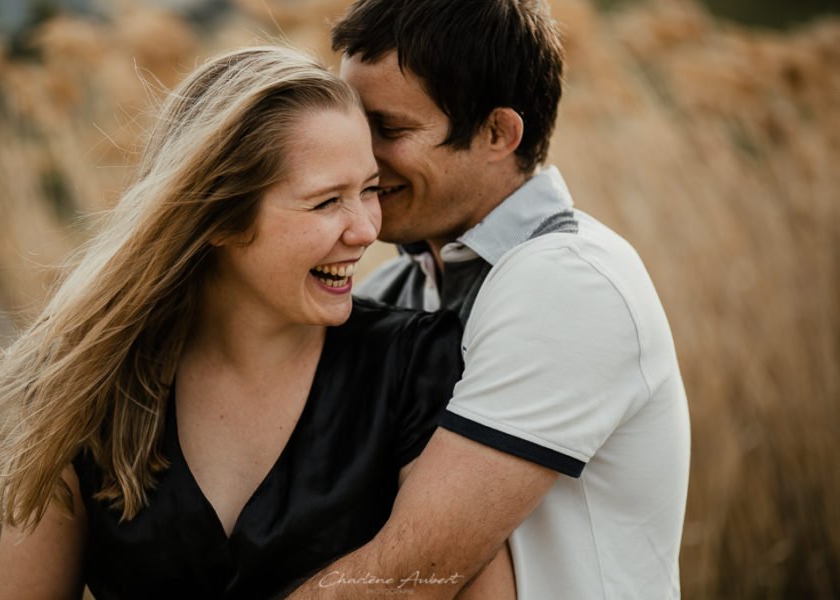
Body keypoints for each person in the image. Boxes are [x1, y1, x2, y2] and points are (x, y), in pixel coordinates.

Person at [0, 46, 466, 599]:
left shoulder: (417, 366)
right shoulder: (86, 381)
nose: (365, 229)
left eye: (368, 190)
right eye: (325, 202)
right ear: (217, 217)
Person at [286, 1, 691, 598]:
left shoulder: (570, 282)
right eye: (353, 125)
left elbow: (411, 574)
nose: (360, 158)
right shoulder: (389, 289)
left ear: (498, 133)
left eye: (389, 130)